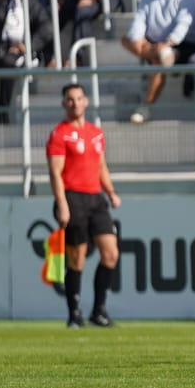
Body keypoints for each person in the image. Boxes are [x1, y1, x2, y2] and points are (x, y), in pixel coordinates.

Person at [47, 82, 122, 329]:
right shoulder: (59, 134)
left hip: (95, 198)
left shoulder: (95, 133)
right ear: (63, 103)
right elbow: (55, 172)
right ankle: (74, 313)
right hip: (73, 197)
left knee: (110, 254)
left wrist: (111, 192)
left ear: (86, 101)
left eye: (79, 98)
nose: (75, 103)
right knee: (77, 258)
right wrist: (62, 204)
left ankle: (99, 311)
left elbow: (101, 166)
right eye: (70, 99)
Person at [121, 0, 195, 123]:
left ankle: (146, 106)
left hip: (183, 45)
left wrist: (168, 43)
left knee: (159, 59)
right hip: (153, 44)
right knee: (127, 40)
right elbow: (139, 22)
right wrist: (138, 41)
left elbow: (183, 25)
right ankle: (157, 56)